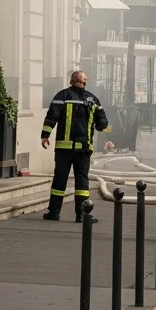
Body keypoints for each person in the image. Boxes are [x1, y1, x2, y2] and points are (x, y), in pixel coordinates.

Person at [41, 70, 109, 223]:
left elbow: (52, 116)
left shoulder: (61, 96)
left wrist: (45, 135)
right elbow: (103, 122)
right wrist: (99, 127)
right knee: (82, 182)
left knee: (59, 180)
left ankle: (54, 213)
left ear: (71, 81)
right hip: (83, 149)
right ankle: (82, 215)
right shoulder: (93, 100)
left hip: (63, 149)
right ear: (85, 83)